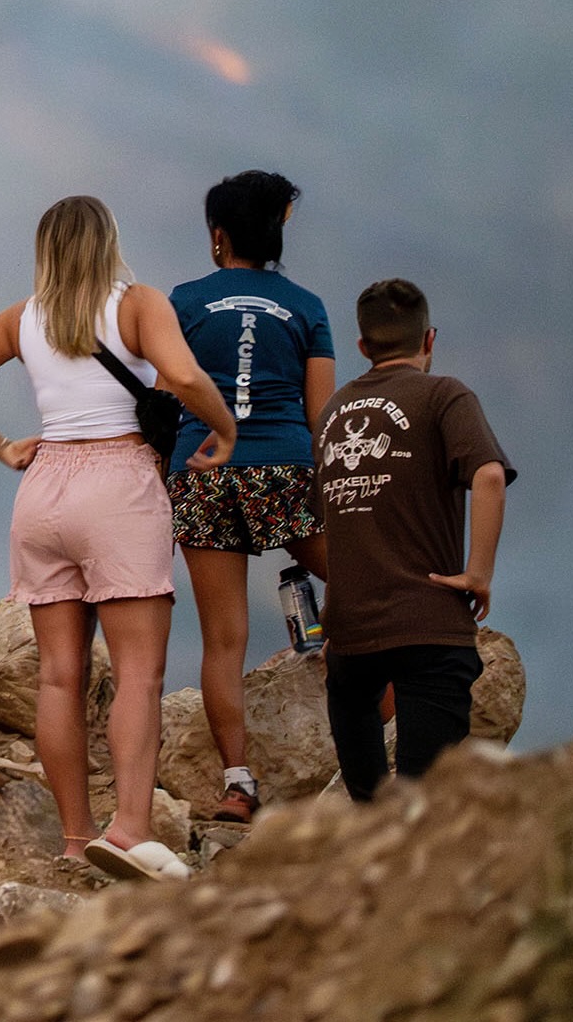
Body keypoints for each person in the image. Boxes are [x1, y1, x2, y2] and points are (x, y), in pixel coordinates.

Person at [0, 196, 238, 881]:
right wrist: (225, 427)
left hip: (43, 490)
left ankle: (75, 837)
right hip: (120, 484)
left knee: (60, 678)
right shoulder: (137, 305)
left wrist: (4, 446)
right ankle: (128, 828)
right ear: (108, 243)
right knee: (137, 674)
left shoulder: (22, 318)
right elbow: (184, 377)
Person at [166, 170, 338, 824]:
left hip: (203, 472)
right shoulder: (306, 307)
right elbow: (322, 417)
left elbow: (163, 390)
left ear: (218, 237)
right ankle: (387, 738)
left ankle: (239, 783)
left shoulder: (182, 303)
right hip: (283, 469)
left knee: (223, 641)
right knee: (362, 585)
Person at [312, 278, 514, 801]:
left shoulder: (333, 414)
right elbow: (488, 476)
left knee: (371, 811)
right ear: (428, 340)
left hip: (351, 638)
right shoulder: (444, 394)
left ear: (362, 347)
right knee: (422, 813)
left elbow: (331, 516)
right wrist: (478, 574)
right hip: (428, 629)